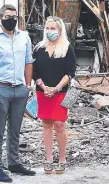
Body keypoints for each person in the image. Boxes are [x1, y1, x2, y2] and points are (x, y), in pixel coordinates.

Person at [0, 4, 36, 182]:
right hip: (0, 89)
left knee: (15, 129)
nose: (11, 19)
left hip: (19, 88)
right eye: (7, 16)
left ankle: (14, 162)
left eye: (14, 16)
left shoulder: (24, 37)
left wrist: (27, 85)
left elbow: (29, 61)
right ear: (0, 18)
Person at [29, 16, 76, 175]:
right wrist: (43, 86)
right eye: (47, 28)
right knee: (46, 124)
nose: (50, 31)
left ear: (60, 30)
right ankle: (48, 158)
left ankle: (62, 159)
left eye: (53, 28)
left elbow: (70, 72)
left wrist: (56, 88)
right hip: (43, 92)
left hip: (61, 92)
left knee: (60, 124)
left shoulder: (67, 48)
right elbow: (34, 71)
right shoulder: (39, 48)